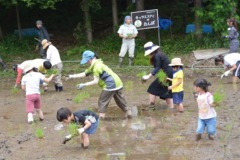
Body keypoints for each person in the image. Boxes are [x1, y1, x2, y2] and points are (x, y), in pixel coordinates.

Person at [67, 50, 132, 119]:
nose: (86, 63)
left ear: (91, 59)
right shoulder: (97, 63)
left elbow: (95, 81)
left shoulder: (96, 67)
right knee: (120, 99)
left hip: (110, 84)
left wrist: (84, 84)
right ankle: (128, 112)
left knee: (102, 100)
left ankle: (101, 116)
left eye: (87, 61)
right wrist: (72, 76)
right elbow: (85, 73)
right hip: (118, 83)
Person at [141, 42, 173, 110]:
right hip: (170, 73)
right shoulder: (159, 54)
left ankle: (151, 106)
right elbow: (159, 68)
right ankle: (171, 108)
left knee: (152, 88)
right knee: (167, 91)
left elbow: (157, 68)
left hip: (166, 74)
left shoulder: (157, 56)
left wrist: (148, 76)